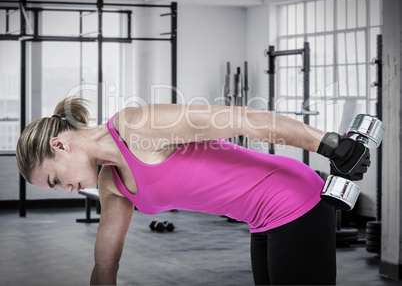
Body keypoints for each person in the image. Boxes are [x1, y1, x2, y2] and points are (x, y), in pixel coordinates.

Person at [16, 97, 370, 285]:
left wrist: (329, 145)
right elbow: (105, 265)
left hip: (295, 200)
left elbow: (243, 119)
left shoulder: (137, 125)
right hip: (262, 221)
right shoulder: (113, 183)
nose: (64, 190)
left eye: (54, 180)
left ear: (59, 145)